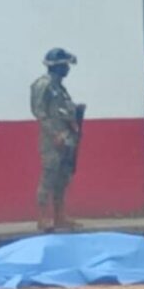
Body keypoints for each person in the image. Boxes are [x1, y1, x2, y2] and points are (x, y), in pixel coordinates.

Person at [31, 48, 86, 232]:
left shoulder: (59, 88)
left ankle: (59, 216)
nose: (68, 69)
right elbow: (40, 112)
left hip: (66, 138)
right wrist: (54, 134)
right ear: (57, 66)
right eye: (65, 65)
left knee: (62, 179)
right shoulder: (44, 84)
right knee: (49, 177)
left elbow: (61, 110)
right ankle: (42, 217)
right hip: (52, 140)